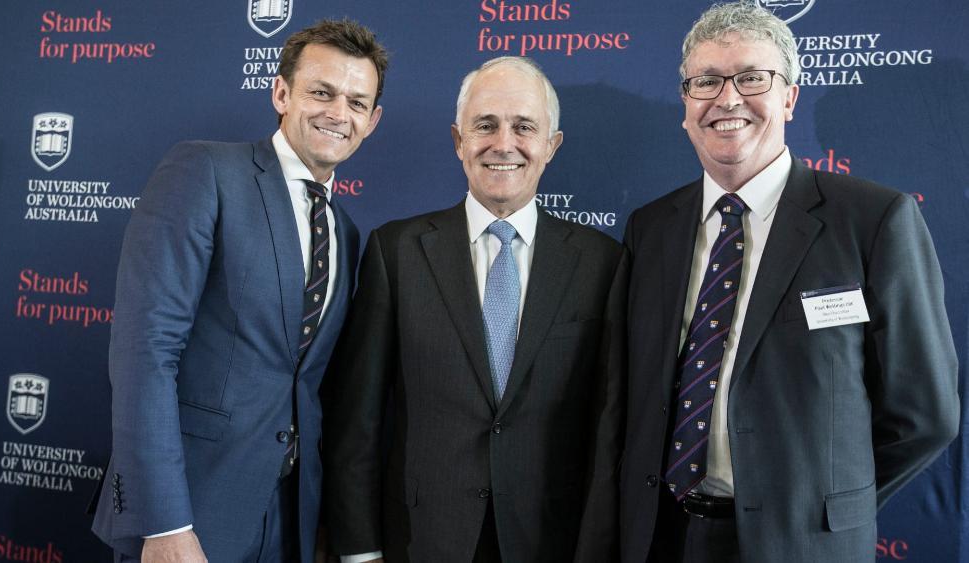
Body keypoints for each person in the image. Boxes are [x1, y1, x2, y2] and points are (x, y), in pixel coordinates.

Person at [619, 2, 959, 562]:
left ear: (790, 98)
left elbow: (925, 416)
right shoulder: (650, 228)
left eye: (752, 78)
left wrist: (825, 503)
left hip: (802, 545)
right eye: (706, 81)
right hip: (663, 538)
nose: (728, 99)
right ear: (685, 105)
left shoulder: (873, 220)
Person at [90, 19, 387, 562]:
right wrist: (165, 523)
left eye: (356, 102)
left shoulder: (345, 230)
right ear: (280, 92)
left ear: (372, 120)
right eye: (321, 92)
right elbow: (145, 350)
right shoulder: (204, 171)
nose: (337, 113)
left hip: (291, 522)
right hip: (193, 514)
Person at [322, 56, 625, 563]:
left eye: (523, 127)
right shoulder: (396, 250)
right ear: (459, 140)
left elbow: (609, 427)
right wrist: (358, 550)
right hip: (422, 541)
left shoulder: (603, 263)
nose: (502, 143)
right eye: (485, 125)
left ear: (551, 146)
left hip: (551, 540)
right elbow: (359, 419)